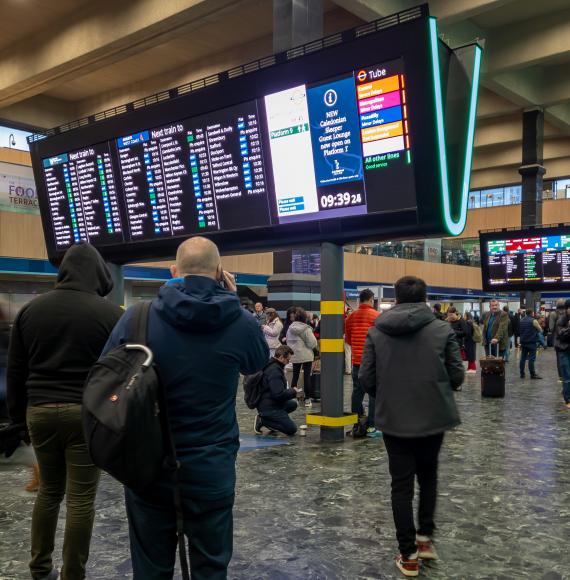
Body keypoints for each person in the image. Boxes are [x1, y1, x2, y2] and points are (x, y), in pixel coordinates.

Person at [102, 236, 269, 579]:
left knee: (151, 568)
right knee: (211, 567)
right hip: (212, 468)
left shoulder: (137, 318)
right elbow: (256, 363)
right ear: (220, 272)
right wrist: (231, 299)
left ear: (173, 271)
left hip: (148, 467)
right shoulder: (240, 321)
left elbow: (105, 376)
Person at [6, 243, 124, 580]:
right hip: (85, 416)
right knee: (81, 498)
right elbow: (120, 374)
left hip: (39, 412)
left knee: (49, 492)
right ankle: (72, 573)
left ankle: (39, 569)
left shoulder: (31, 310)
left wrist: (18, 421)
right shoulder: (110, 314)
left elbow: (17, 372)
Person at [359, 276, 463, 578]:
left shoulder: (377, 332)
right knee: (428, 476)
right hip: (434, 415)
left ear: (396, 297)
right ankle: (425, 539)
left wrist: (389, 393)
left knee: (400, 485)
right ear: (425, 297)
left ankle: (409, 555)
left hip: (394, 418)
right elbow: (457, 374)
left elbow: (366, 377)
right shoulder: (443, 329)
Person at [345, 288, 381, 437]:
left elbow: (348, 340)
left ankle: (357, 423)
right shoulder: (377, 316)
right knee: (373, 393)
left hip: (357, 361)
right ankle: (372, 426)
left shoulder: (350, 317)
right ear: (371, 300)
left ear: (359, 300)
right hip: (373, 362)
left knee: (357, 392)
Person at [254, 345, 300, 436]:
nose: (288, 362)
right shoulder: (274, 371)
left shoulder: (272, 365)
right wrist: (293, 391)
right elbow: (278, 394)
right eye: (287, 360)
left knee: (293, 404)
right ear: (281, 357)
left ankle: (272, 418)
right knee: (291, 429)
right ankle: (263, 420)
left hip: (267, 401)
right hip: (269, 406)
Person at [286, 307, 318, 408]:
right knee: (306, 377)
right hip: (306, 356)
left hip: (295, 355)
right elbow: (313, 343)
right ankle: (307, 399)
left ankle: (293, 397)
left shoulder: (290, 328)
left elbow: (287, 341)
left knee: (295, 376)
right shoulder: (306, 328)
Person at [519, 309, 543, 379]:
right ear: (532, 313)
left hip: (523, 342)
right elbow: (540, 329)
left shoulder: (521, 320)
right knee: (531, 359)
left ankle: (522, 374)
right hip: (531, 342)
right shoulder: (533, 320)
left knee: (522, 358)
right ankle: (532, 374)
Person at [555, 299, 570, 409]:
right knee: (567, 376)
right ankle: (568, 399)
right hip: (564, 351)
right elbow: (561, 335)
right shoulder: (561, 320)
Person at [550, 299, 566, 381]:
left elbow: (551, 328)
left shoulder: (553, 314)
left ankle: (561, 376)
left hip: (558, 340)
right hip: (567, 339)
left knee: (559, 358)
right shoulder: (567, 313)